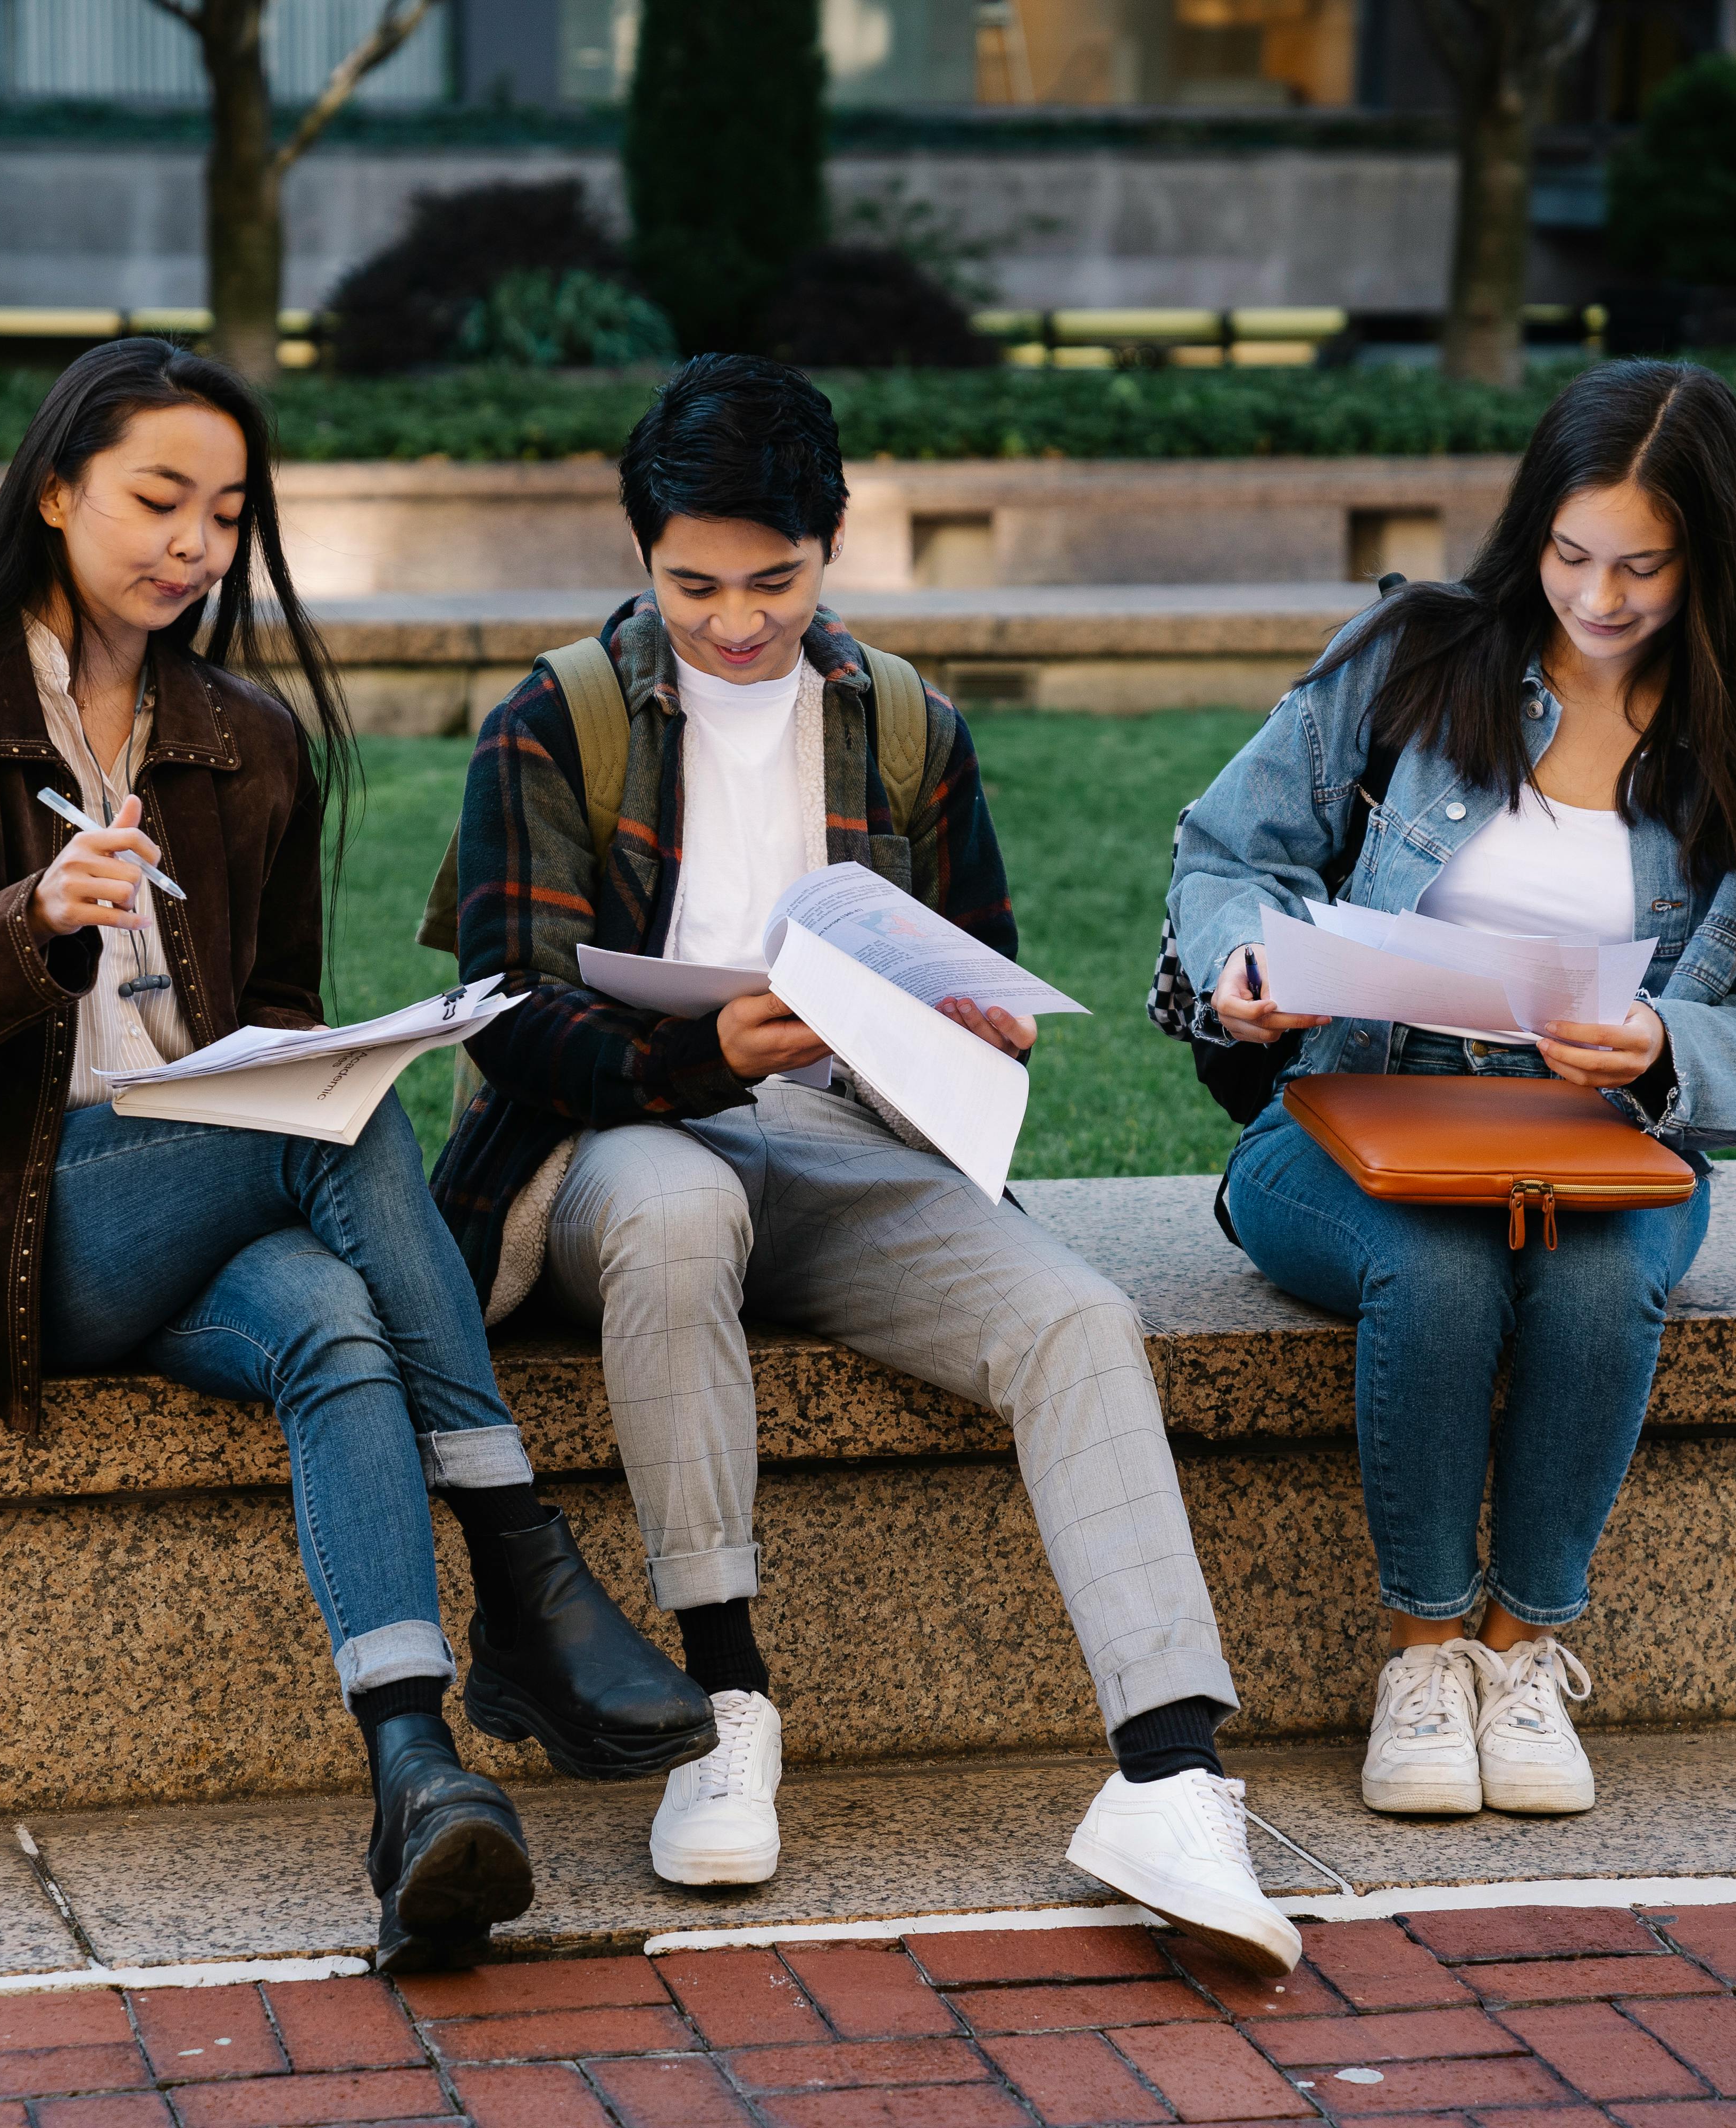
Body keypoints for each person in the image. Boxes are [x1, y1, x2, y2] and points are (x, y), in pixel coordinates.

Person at [0, 338, 712, 1971]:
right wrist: (28, 919)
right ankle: (523, 1564)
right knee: (346, 1140)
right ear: (54, 493)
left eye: (226, 512)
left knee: (332, 1317)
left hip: (199, 1201)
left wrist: (306, 1060)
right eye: (158, 499)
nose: (193, 543)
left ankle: (416, 1773)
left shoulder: (246, 742)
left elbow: (277, 1019)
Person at [431, 354, 1304, 1979]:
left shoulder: (907, 724)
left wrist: (977, 1035)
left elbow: (980, 970)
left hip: (844, 1142)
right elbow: (506, 1023)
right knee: (685, 1201)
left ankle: (1172, 1778)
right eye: (695, 583)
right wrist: (702, 1057)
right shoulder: (555, 720)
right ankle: (723, 1709)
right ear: (644, 555)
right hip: (620, 1146)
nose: (737, 620)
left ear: (830, 552)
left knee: (1075, 1319)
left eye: (774, 581)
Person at [1169, 360, 1736, 1819]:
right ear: (1530, 532)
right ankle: (1423, 1653)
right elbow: (1225, 853)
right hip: (1349, 1124)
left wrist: (1671, 1051)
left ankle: (1523, 1649)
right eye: (1569, 555)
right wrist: (1252, 961)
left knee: (1595, 1265)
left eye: (1643, 565)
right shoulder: (1411, 660)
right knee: (1433, 1265)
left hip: (1601, 1147)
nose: (1599, 597)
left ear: (1714, 562)